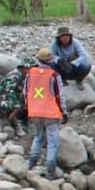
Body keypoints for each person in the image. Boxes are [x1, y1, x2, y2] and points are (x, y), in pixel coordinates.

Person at [25, 48, 67, 180]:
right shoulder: (54, 75)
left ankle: (31, 164)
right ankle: (50, 169)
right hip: (51, 112)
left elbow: (25, 92)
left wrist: (28, 108)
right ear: (51, 60)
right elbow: (59, 96)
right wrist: (64, 112)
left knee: (38, 136)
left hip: (35, 111)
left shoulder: (30, 73)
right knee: (52, 141)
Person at [0, 57, 31, 136]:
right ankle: (15, 123)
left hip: (10, 102)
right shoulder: (14, 76)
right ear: (25, 68)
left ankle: (22, 123)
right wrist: (15, 110)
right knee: (10, 104)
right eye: (30, 69)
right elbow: (10, 93)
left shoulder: (23, 76)